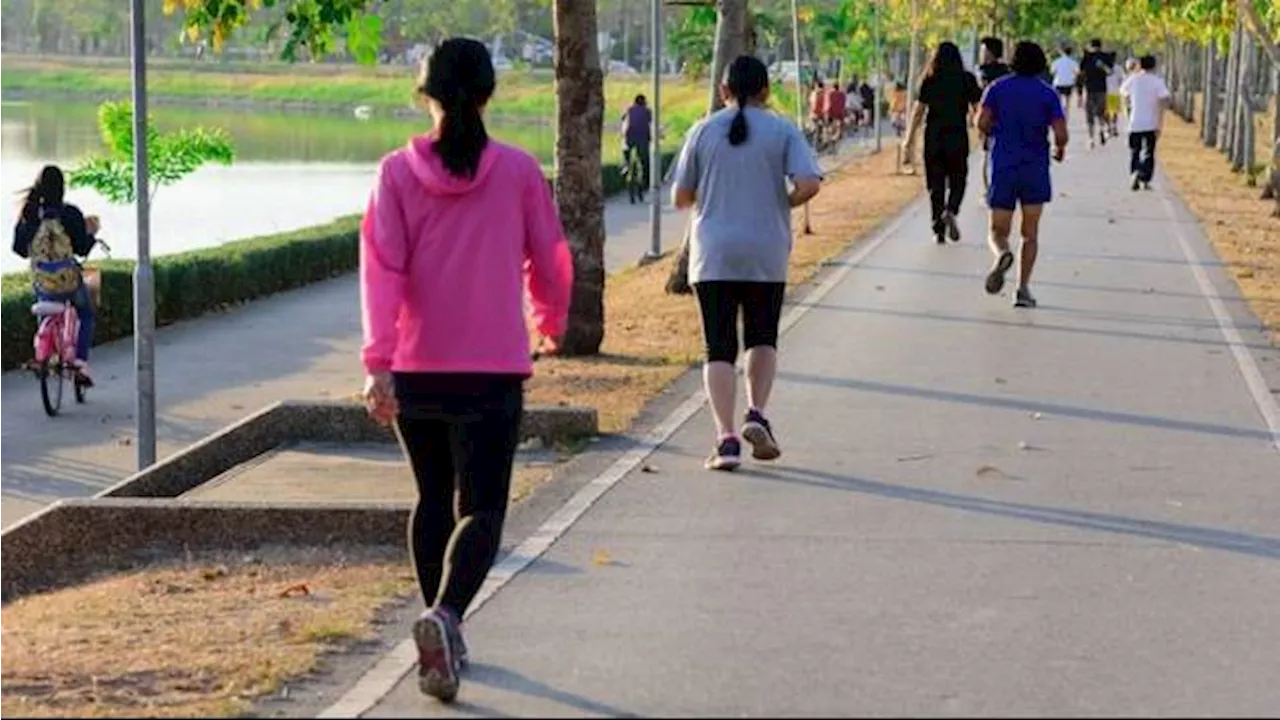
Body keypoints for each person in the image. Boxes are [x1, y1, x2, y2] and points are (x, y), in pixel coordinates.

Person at [360, 37, 573, 703]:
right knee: (480, 507)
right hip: (491, 371)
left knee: (432, 498)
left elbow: (381, 270)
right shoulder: (517, 171)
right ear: (487, 94)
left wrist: (379, 360)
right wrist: (551, 322)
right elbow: (551, 256)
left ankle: (439, 628)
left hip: (418, 370)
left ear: (425, 95)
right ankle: (446, 619)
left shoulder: (395, 172)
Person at [672, 55, 822, 471]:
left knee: (718, 346)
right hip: (765, 249)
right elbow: (809, 183)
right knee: (762, 337)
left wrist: (711, 197)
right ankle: (756, 413)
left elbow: (679, 198)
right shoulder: (782, 129)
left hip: (714, 252)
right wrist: (782, 203)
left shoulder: (702, 131)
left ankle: (726, 439)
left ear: (724, 91)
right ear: (766, 91)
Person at [977, 41, 1069, 309]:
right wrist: (1059, 148)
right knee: (1030, 233)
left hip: (1004, 164)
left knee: (997, 230)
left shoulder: (997, 88)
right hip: (1035, 167)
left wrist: (992, 132)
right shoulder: (1048, 94)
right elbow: (1061, 134)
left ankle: (1002, 254)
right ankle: (1023, 288)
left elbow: (981, 122)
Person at [11, 165, 100, 385]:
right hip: (68, 282)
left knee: (44, 298)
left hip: (43, 283)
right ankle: (80, 362)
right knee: (86, 312)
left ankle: (45, 352)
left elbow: (19, 249)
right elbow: (81, 248)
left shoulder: (30, 215)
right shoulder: (70, 213)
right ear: (62, 188)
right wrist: (92, 236)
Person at [903, 41, 982, 244]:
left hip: (934, 136)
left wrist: (909, 139)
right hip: (957, 135)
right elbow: (977, 109)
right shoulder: (967, 79)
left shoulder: (930, 79)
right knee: (959, 178)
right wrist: (982, 131)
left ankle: (937, 228)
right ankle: (952, 209)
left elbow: (919, 111)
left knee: (935, 184)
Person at [1120, 54, 1171, 191]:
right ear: (1154, 66)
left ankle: (1135, 172)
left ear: (1140, 65)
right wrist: (1160, 121)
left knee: (1134, 151)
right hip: (1151, 122)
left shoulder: (1133, 79)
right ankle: (1144, 177)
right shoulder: (1157, 81)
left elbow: (1123, 93)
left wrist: (1128, 108)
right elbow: (1164, 99)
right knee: (1149, 152)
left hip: (1135, 121)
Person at [1077, 39, 1115, 147]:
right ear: (1101, 45)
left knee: (1089, 115)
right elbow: (1110, 72)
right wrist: (1102, 66)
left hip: (1089, 89)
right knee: (1101, 112)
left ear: (1090, 45)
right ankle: (1102, 129)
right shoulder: (1105, 57)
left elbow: (1081, 74)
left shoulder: (1086, 57)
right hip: (1102, 89)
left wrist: (1080, 93)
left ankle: (1091, 138)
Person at [621, 93, 653, 196]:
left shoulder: (629, 109)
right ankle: (646, 183)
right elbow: (649, 122)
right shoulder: (647, 111)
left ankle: (626, 165)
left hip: (629, 137)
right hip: (643, 138)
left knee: (626, 150)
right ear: (644, 102)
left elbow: (623, 119)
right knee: (645, 162)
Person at [1050, 46, 1079, 119]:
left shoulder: (1057, 61)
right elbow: (1077, 72)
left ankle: (1059, 115)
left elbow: (1052, 71)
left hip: (1058, 82)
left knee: (1058, 100)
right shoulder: (1073, 62)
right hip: (1069, 83)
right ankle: (1066, 116)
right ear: (1071, 53)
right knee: (1067, 100)